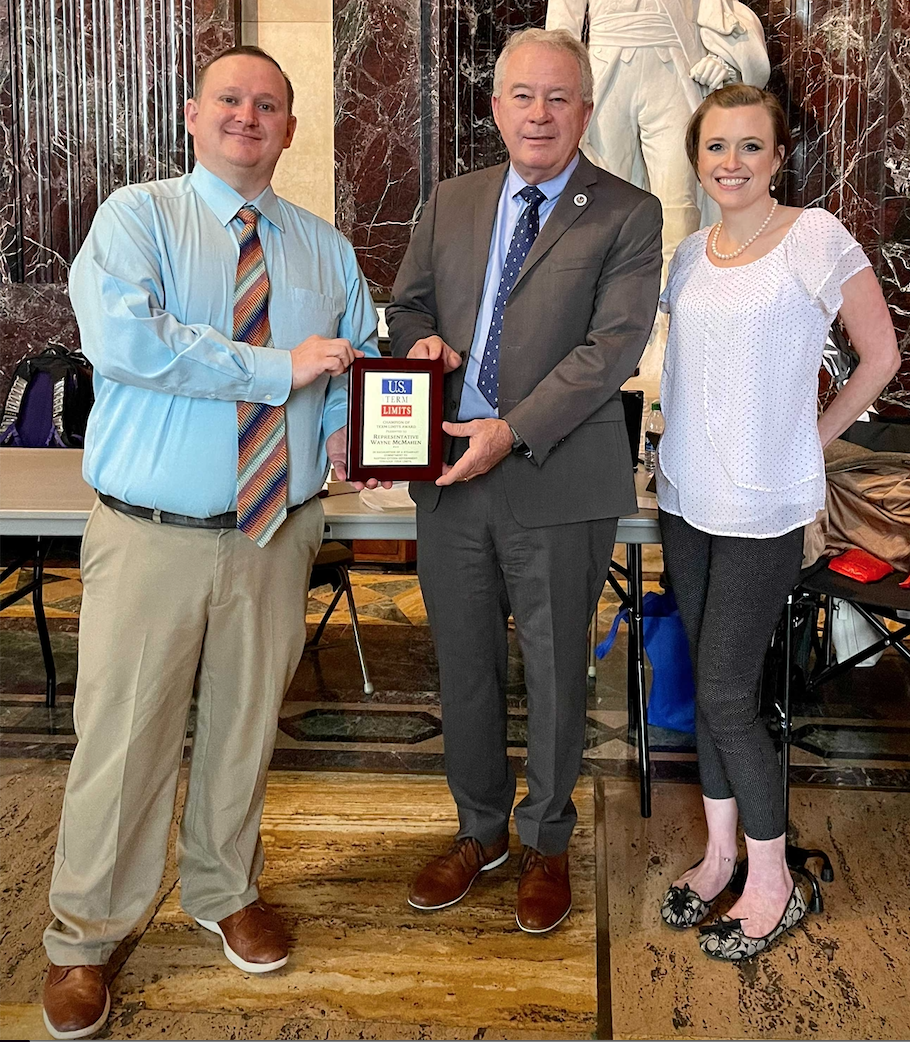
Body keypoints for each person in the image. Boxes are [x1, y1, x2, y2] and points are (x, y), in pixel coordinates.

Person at [40, 45, 383, 1040]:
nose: (247, 116)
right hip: (152, 535)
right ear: (193, 116)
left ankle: (223, 888)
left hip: (276, 531)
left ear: (290, 128)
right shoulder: (137, 219)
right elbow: (129, 343)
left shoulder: (324, 248)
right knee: (123, 741)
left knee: (244, 729)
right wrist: (278, 369)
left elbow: (353, 362)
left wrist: (356, 433)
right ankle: (85, 937)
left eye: (268, 104)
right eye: (230, 99)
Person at [386, 28, 662, 934]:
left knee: (553, 672)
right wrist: (419, 342)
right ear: (496, 106)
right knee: (463, 666)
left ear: (585, 110)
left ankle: (546, 840)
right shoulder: (452, 200)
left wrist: (510, 430)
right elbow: (406, 305)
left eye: (558, 97)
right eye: (522, 96)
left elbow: (610, 349)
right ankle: (480, 832)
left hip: (556, 475)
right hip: (450, 478)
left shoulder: (627, 212)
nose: (539, 114)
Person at [655, 84, 899, 960]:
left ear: (779, 156)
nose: (732, 163)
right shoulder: (688, 254)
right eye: (716, 146)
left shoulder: (814, 236)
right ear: (697, 160)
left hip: (761, 505)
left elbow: (882, 355)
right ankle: (721, 856)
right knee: (710, 685)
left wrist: (812, 438)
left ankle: (773, 880)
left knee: (728, 694)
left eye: (750, 146)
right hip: (684, 496)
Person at [545, 0, 769, 377]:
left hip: (676, 67)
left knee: (680, 214)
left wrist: (724, 59)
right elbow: (561, 29)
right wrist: (558, 92)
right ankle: (607, 342)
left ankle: (675, 341)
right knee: (601, 218)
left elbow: (719, 10)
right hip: (603, 76)